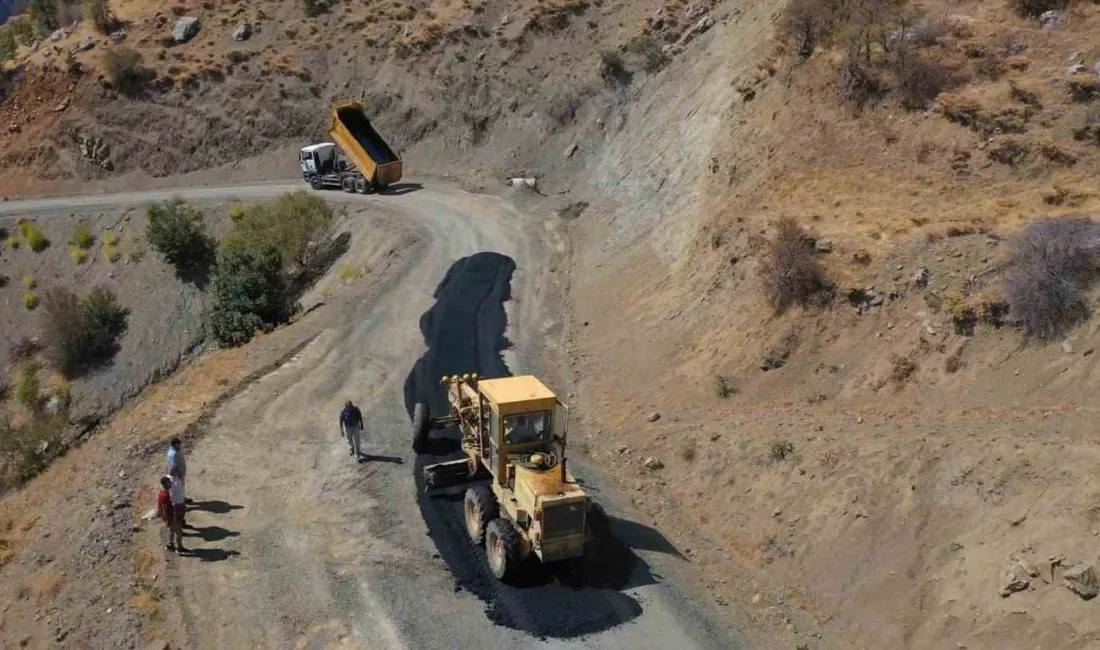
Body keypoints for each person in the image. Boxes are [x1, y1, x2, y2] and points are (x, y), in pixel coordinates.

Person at [158, 476, 185, 553]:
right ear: (166, 484)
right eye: (169, 483)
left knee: (171, 531)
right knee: (179, 532)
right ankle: (179, 548)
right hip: (171, 518)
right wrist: (170, 520)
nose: (170, 484)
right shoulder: (166, 496)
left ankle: (170, 545)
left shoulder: (161, 493)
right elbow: (167, 510)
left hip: (167, 518)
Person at [167, 438, 188, 525]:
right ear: (175, 444)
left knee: (181, 490)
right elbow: (173, 467)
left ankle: (183, 500)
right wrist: (179, 476)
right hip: (177, 477)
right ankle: (181, 503)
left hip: (178, 476)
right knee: (180, 491)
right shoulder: (174, 454)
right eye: (178, 444)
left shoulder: (172, 451)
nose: (180, 446)